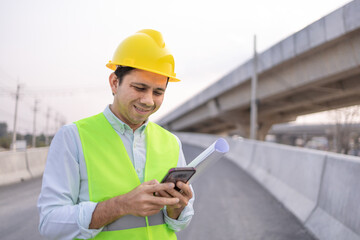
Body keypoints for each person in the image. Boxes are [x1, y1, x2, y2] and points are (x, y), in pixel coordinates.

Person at [38, 29, 195, 240]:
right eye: (140, 88)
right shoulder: (73, 137)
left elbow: (181, 222)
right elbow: (50, 222)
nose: (148, 100)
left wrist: (177, 209)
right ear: (114, 82)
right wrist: (121, 205)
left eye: (158, 92)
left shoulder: (172, 142)